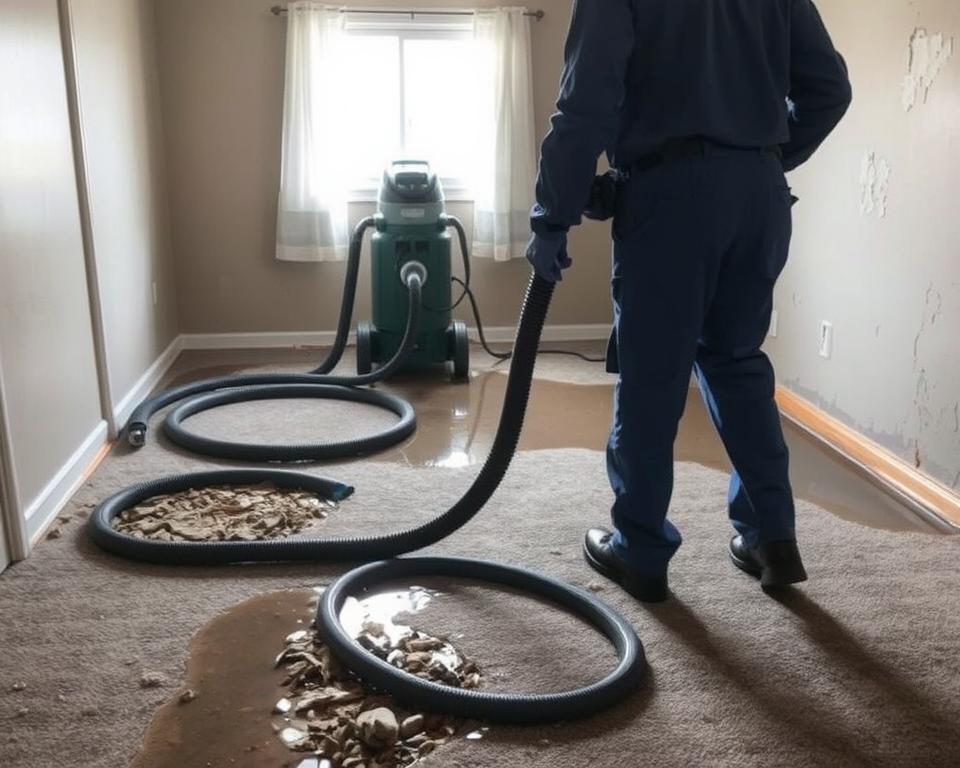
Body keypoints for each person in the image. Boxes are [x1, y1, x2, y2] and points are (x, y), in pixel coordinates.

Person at [527, 0, 852, 602]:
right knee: (736, 362)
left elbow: (586, 102)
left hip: (671, 202)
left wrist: (553, 216)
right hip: (759, 196)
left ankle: (640, 551)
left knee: (653, 377)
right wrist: (763, 157)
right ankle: (771, 538)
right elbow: (830, 89)